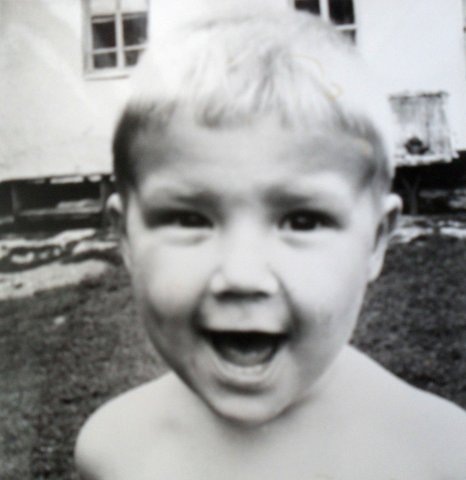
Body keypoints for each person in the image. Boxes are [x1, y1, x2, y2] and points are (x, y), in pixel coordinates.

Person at [75, 10, 466, 479]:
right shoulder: (114, 451)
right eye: (190, 218)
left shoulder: (438, 456)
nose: (242, 275)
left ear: (375, 241)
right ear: (126, 237)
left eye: (303, 221)